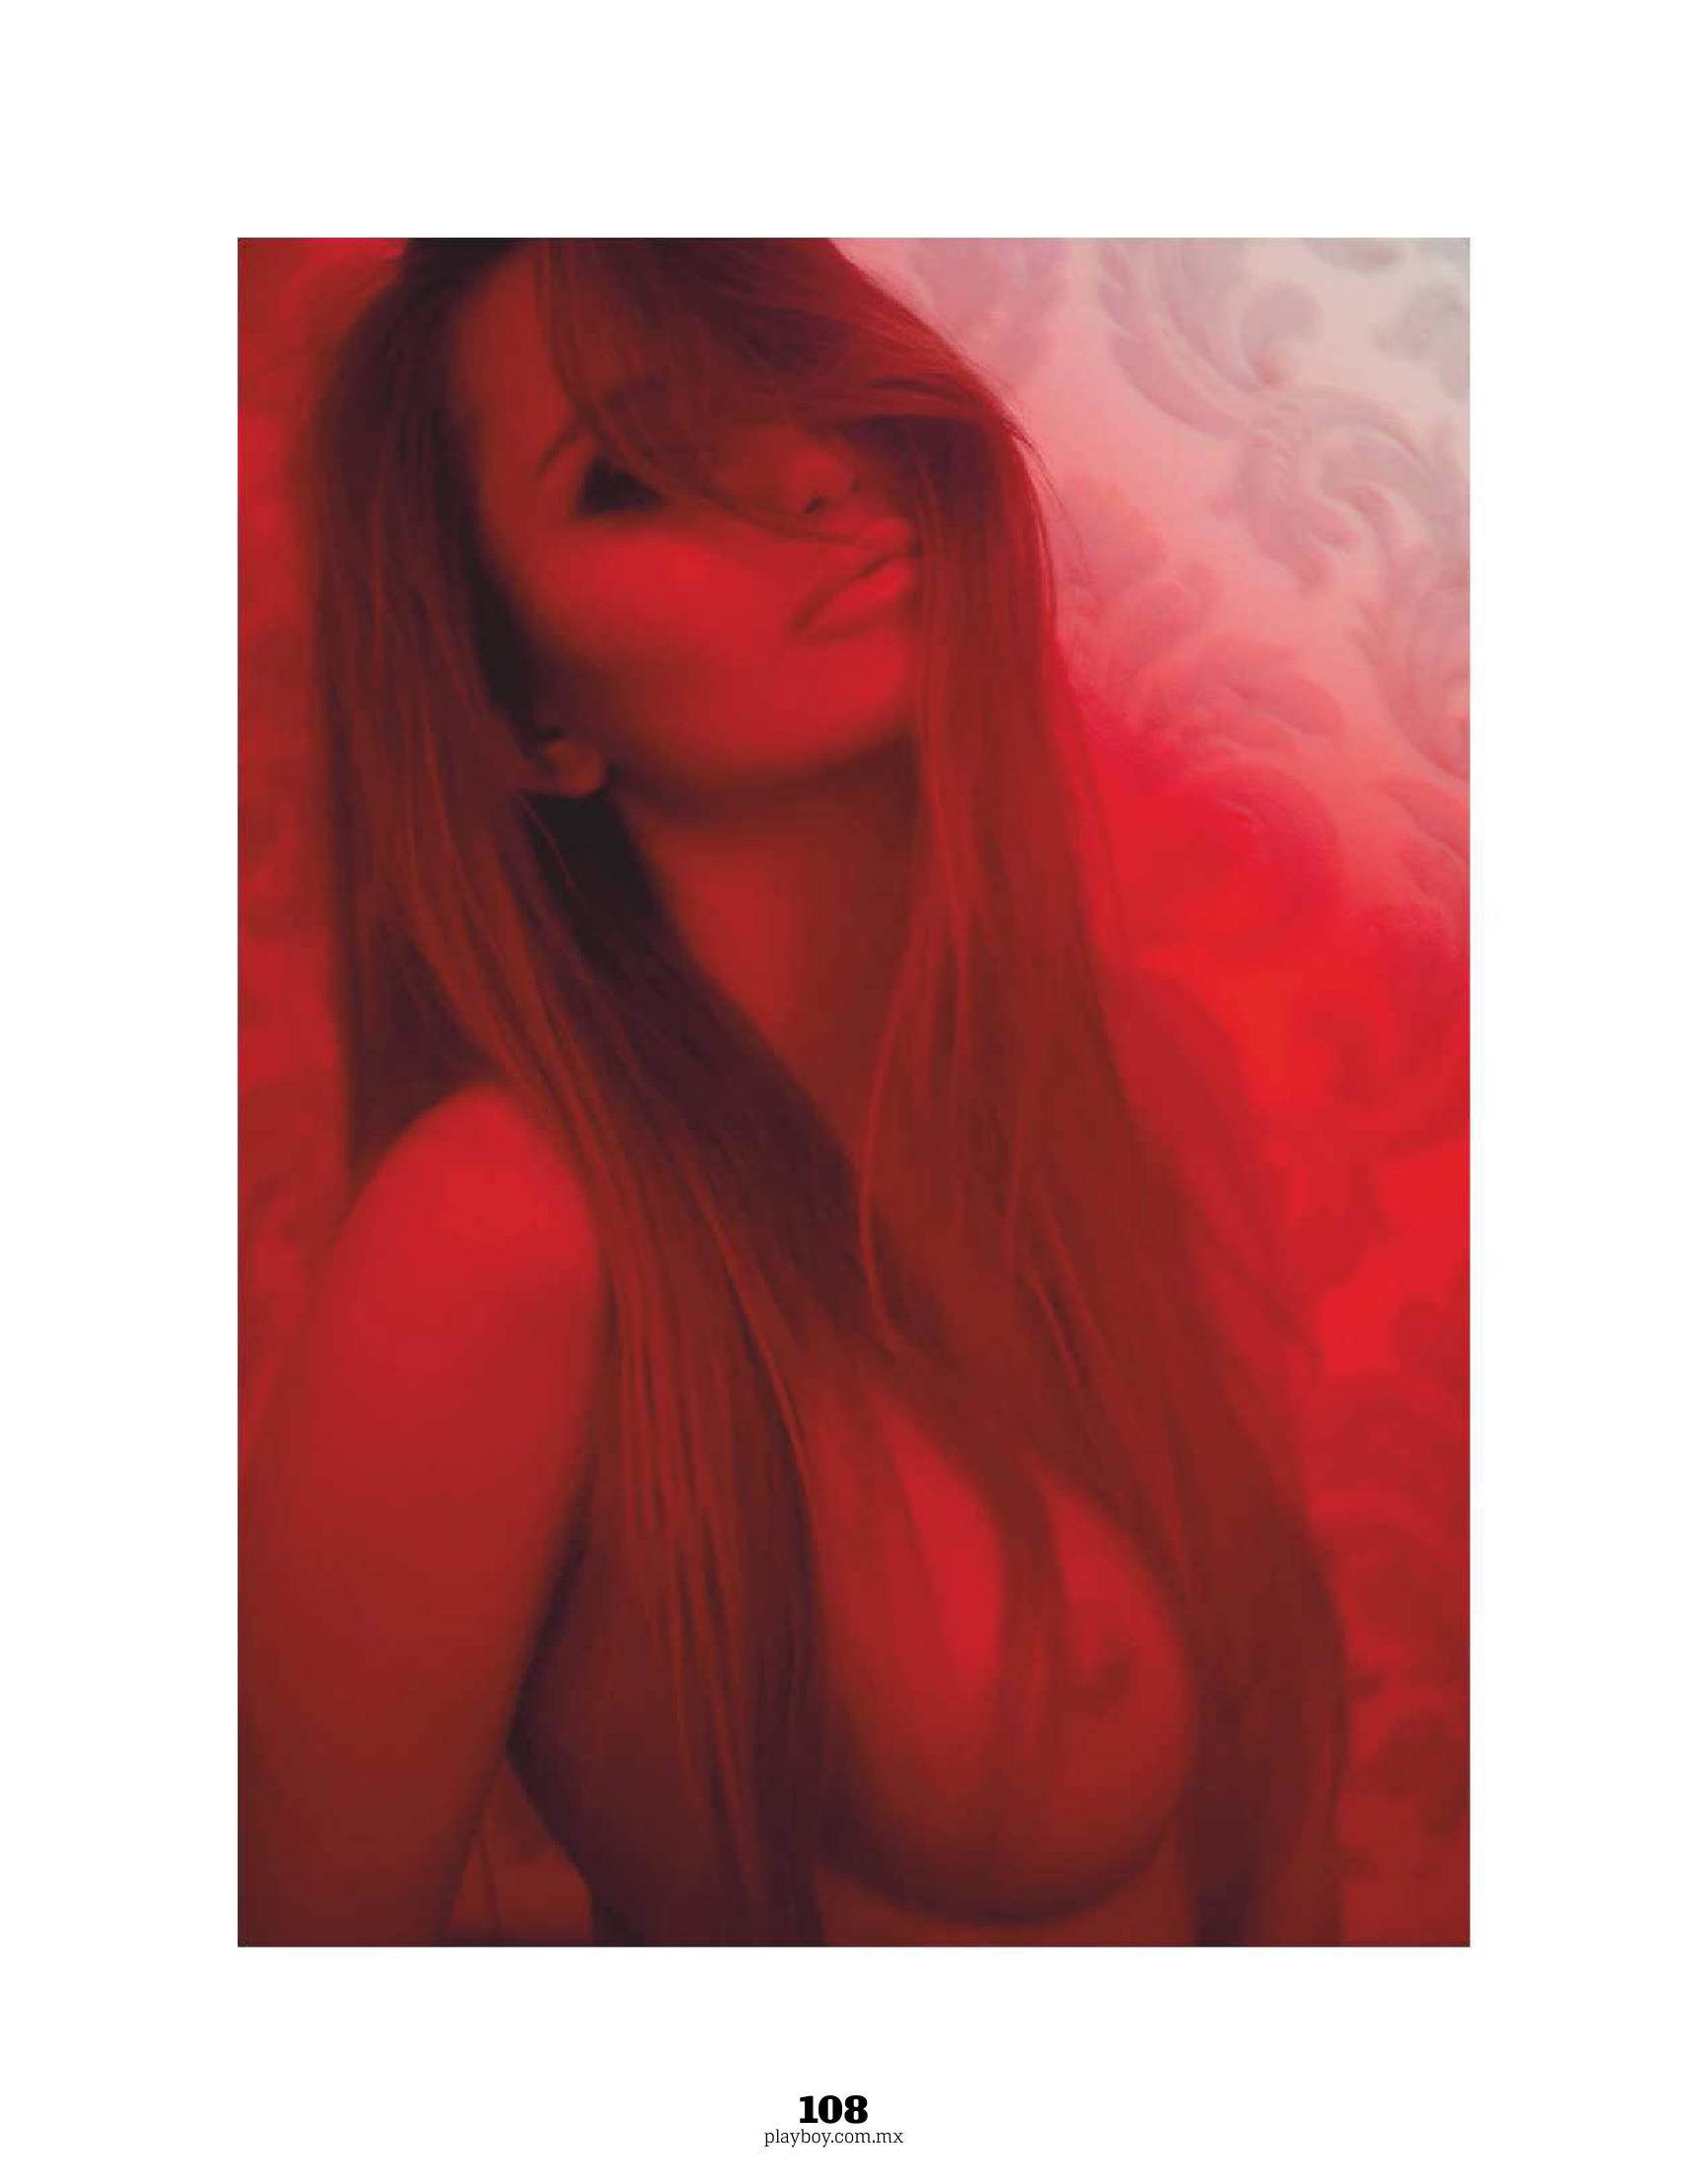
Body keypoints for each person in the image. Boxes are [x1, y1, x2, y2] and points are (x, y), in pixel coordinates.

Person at [239, 238, 1347, 1946]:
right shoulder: (505, 1232)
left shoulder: (1138, 1103)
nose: (815, 471)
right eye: (630, 474)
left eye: (798, 380)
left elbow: (1279, 1901)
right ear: (522, 718)